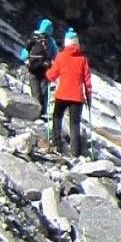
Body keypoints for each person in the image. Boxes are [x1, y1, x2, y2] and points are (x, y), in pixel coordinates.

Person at [45, 29, 92, 157]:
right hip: (77, 97)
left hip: (62, 94)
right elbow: (87, 80)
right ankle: (75, 151)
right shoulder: (82, 59)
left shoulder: (61, 56)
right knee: (75, 123)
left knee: (57, 117)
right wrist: (88, 96)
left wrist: (47, 75)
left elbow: (52, 75)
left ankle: (56, 142)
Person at [19, 19, 59, 119]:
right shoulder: (50, 41)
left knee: (36, 93)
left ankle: (35, 113)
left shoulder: (34, 37)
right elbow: (56, 57)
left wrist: (26, 60)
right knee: (44, 93)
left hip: (33, 69)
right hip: (45, 70)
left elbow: (24, 54)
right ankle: (42, 113)